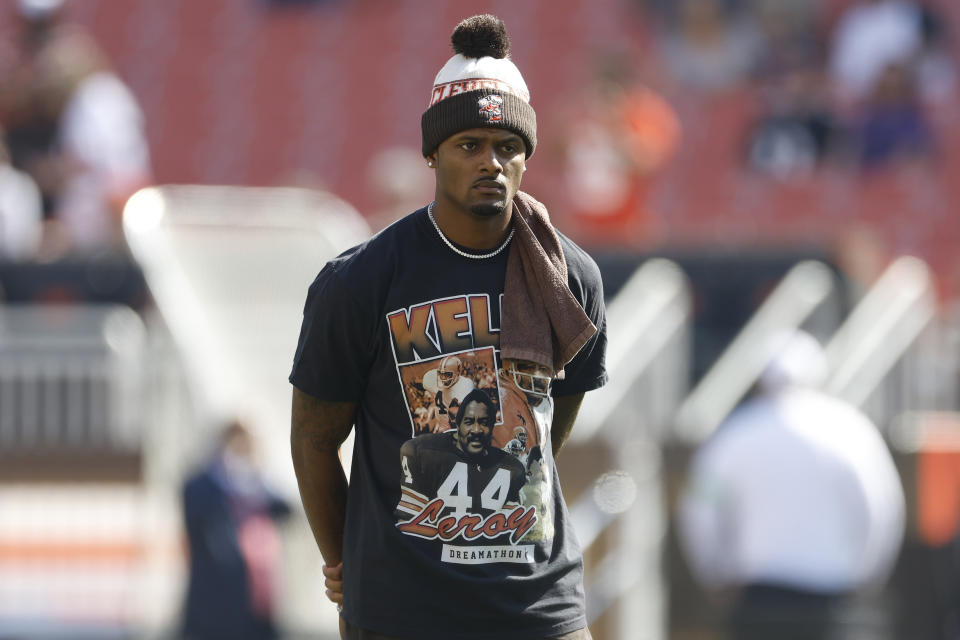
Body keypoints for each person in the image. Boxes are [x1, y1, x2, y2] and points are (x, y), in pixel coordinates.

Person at [289, 14, 607, 640]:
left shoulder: (570, 277)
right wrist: (344, 561)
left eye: (507, 146)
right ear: (432, 153)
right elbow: (314, 441)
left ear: (527, 156)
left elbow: (552, 425)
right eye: (469, 145)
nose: (491, 162)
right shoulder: (360, 281)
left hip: (538, 607)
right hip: (400, 609)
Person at [677, 330, 906, 640]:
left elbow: (699, 509)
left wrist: (715, 573)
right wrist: (868, 575)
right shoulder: (853, 432)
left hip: (758, 600)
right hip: (833, 597)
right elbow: (882, 507)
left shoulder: (734, 435)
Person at [181, 421, 292, 640]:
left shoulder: (261, 489)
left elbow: (288, 508)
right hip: (215, 611)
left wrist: (259, 478)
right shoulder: (203, 488)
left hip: (257, 607)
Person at [395, 388, 527, 528]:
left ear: (492, 425)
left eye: (484, 422)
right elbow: (409, 526)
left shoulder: (512, 468)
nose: (476, 430)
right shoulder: (424, 453)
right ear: (457, 425)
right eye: (469, 422)